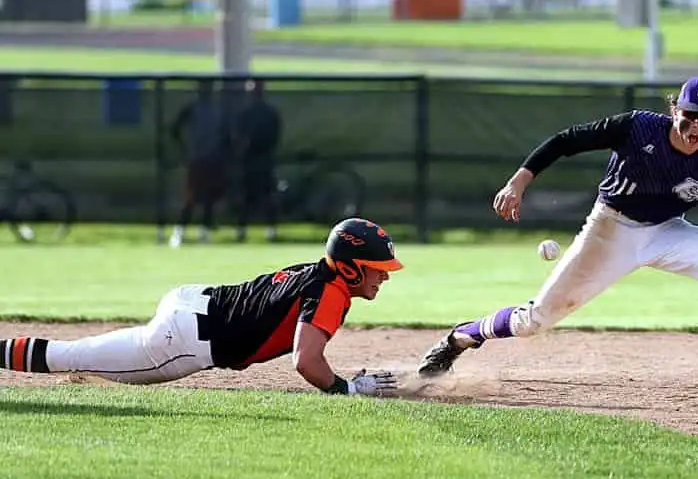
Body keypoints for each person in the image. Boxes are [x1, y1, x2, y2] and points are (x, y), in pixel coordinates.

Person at [416, 76, 698, 385]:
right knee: (534, 322)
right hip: (609, 230)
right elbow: (565, 141)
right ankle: (460, 338)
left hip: (665, 232)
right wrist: (518, 183)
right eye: (689, 117)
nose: (695, 129)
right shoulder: (638, 128)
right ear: (674, 109)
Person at [0, 218, 403, 397]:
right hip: (184, 340)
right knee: (71, 356)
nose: (384, 276)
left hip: (192, 301)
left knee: (86, 354)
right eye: (377, 269)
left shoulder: (314, 273)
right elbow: (306, 361)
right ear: (350, 268)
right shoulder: (331, 291)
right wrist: (347, 389)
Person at [169, 79, 231, 248]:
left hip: (213, 159)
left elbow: (226, 136)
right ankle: (179, 232)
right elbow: (175, 128)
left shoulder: (218, 111)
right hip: (196, 159)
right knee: (190, 198)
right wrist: (184, 149)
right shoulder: (192, 108)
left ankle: (205, 233)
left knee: (209, 199)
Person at [232, 79, 284, 244]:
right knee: (246, 196)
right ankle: (241, 230)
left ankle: (271, 230)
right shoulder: (245, 114)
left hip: (264, 159)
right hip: (249, 160)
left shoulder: (269, 113)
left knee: (267, 196)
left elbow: (275, 135)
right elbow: (239, 136)